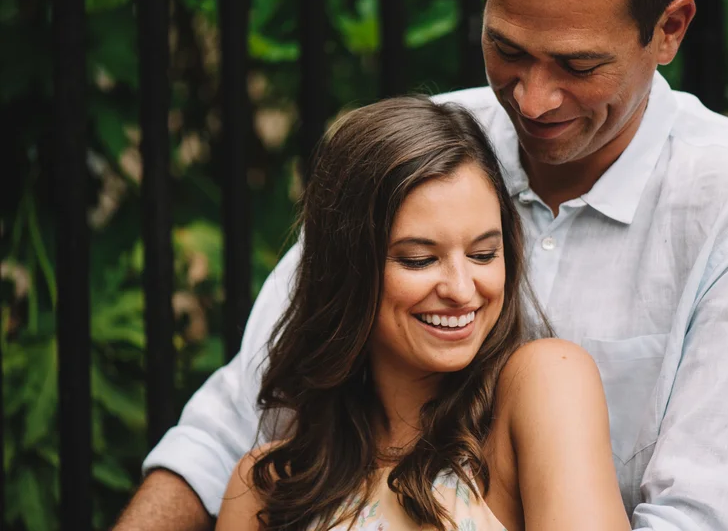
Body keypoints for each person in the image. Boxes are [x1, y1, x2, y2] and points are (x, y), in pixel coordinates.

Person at [116, 0, 728, 529]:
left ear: (669, 30)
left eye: (578, 66)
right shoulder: (428, 150)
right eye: (507, 48)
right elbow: (234, 419)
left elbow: (706, 516)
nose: (534, 100)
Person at [211, 96, 629, 530]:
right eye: (418, 259)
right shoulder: (267, 485)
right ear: (347, 268)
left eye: (484, 254)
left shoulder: (544, 384)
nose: (462, 289)